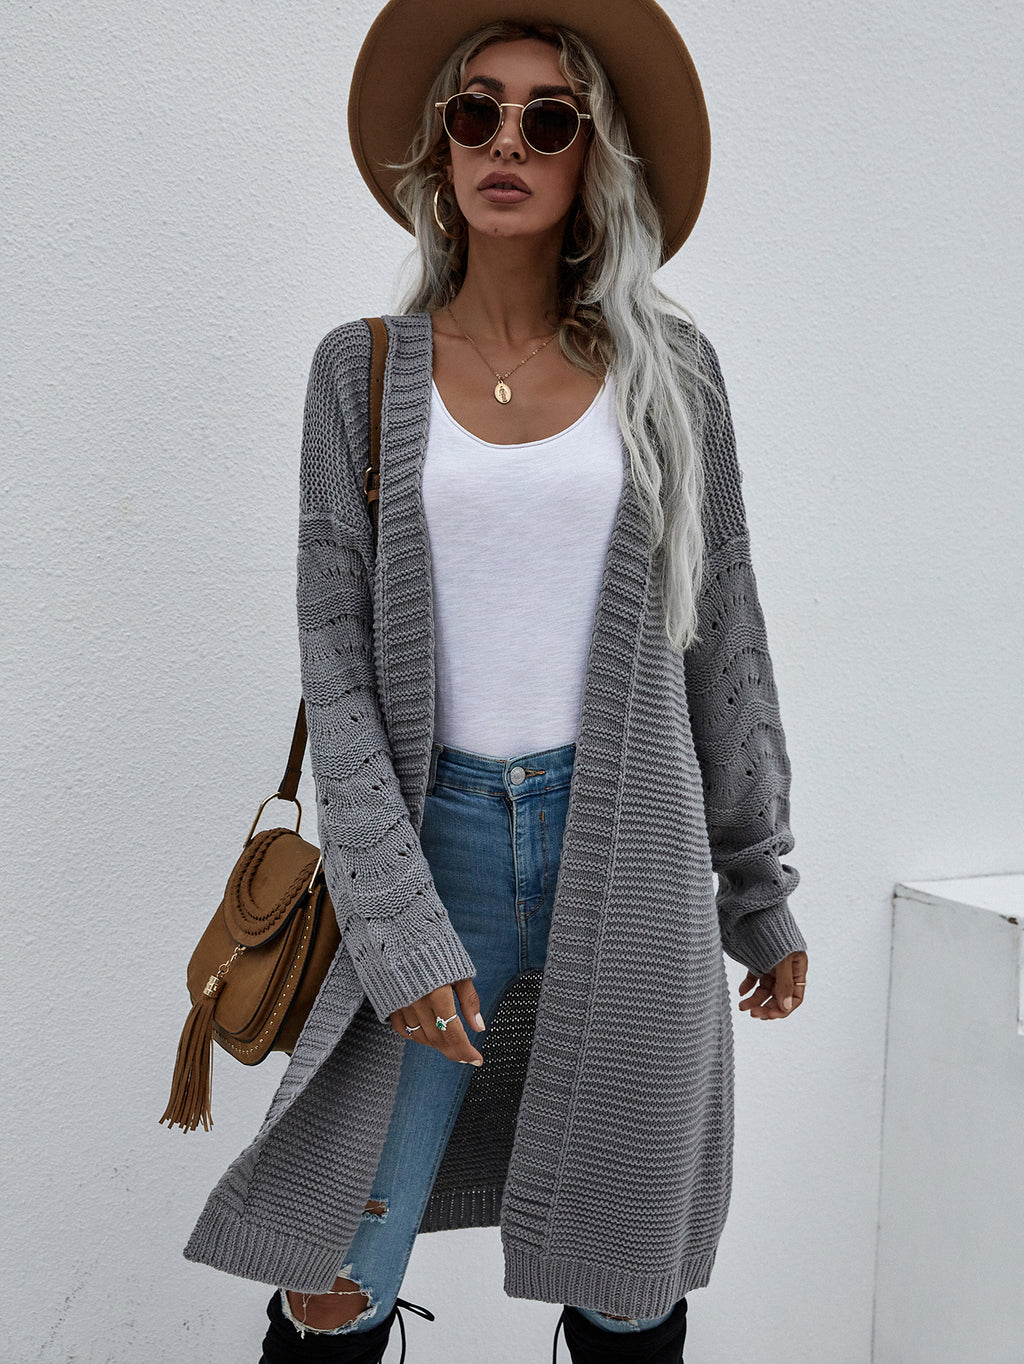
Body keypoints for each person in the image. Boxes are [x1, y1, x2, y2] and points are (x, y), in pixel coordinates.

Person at [181, 4, 810, 1361]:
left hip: (632, 851)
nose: (506, 142)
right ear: (440, 150)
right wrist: (394, 921)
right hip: (436, 848)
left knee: (627, 1276)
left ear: (595, 159)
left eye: (548, 118)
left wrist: (757, 890)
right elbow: (338, 672)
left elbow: (725, 637)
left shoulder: (671, 374)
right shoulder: (359, 374)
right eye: (477, 112)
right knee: (335, 1276)